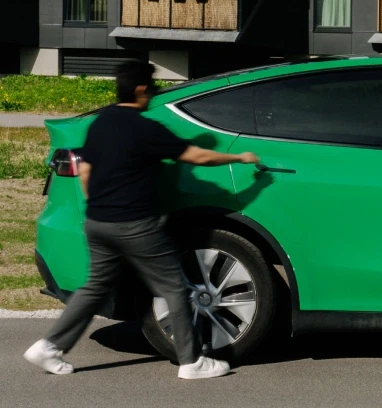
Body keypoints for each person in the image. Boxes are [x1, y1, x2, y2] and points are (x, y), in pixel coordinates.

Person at [24, 61, 260, 380]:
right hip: (135, 225)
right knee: (175, 288)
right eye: (151, 86)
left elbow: (87, 172)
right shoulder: (146, 128)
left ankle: (48, 347)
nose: (154, 92)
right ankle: (192, 362)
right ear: (139, 90)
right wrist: (240, 158)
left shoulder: (101, 123)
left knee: (94, 288)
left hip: (98, 222)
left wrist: (99, 207)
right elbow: (197, 156)